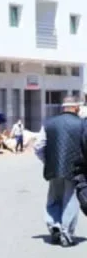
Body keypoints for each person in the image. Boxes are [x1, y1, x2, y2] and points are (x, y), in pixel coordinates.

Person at [35, 95, 86, 247]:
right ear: (76, 107)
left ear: (63, 108)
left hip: (53, 169)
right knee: (71, 200)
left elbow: (38, 146)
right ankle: (66, 232)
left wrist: (47, 161)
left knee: (54, 198)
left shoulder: (49, 123)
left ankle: (54, 225)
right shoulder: (82, 124)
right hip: (75, 169)